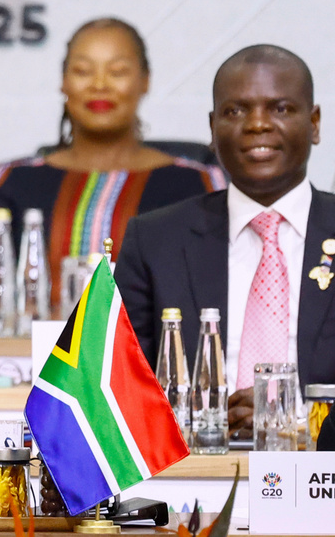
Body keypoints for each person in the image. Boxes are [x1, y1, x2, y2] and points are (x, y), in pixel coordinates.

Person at [115, 44, 335, 439]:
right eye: (235, 111)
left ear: (314, 123)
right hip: (194, 464)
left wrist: (298, 420)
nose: (257, 124)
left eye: (281, 108)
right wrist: (204, 422)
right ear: (213, 128)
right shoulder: (155, 240)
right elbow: (119, 389)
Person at [0, 17, 225, 311]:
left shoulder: (197, 184)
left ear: (145, 81)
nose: (100, 84)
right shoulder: (12, 183)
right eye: (83, 71)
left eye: (117, 71)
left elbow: (215, 293)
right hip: (31, 343)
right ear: (64, 82)